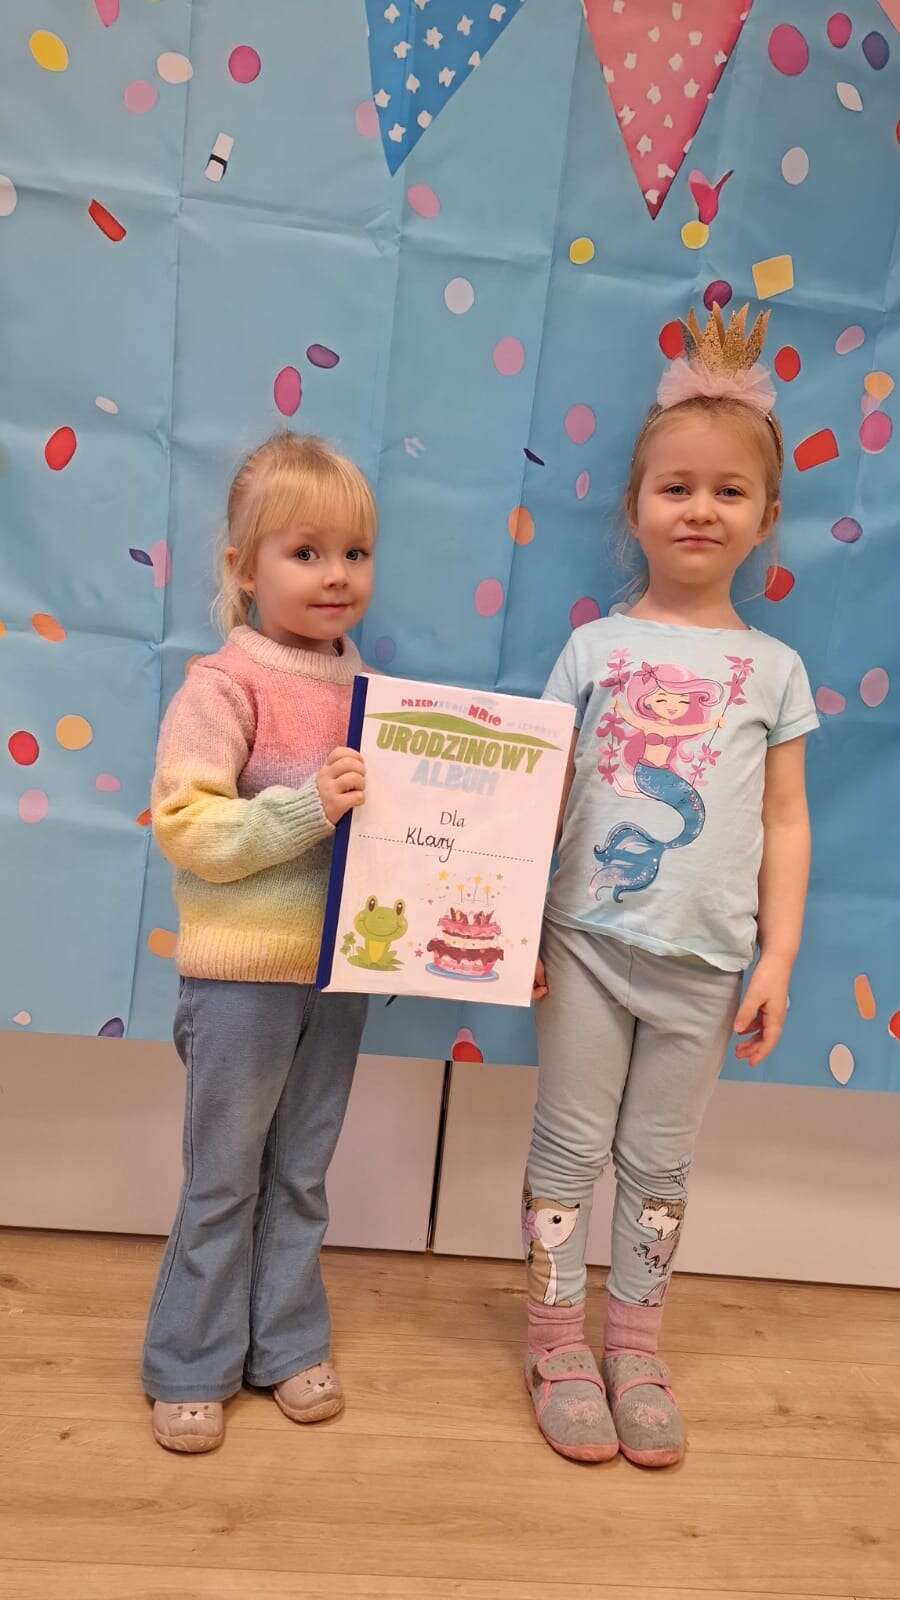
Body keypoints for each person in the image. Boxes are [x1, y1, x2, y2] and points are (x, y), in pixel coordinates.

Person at [524, 305, 818, 1467]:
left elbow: (786, 819)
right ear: (635, 505)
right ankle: (555, 1343)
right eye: (676, 487)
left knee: (658, 1166)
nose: (700, 509)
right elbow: (539, 792)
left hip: (704, 966)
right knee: (567, 1152)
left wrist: (777, 956)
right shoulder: (594, 649)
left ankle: (635, 1348)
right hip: (585, 944)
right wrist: (514, 924)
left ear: (766, 517)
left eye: (728, 491)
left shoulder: (776, 670)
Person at [142, 432, 376, 1453]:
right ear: (244, 568)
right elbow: (187, 824)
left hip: (338, 973)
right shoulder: (224, 683)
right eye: (305, 552)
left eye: (355, 553)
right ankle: (190, 1361)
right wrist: (304, 808)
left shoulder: (372, 689)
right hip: (242, 979)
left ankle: (284, 1341)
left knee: (302, 1170)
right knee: (224, 1175)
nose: (336, 575)